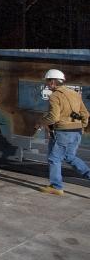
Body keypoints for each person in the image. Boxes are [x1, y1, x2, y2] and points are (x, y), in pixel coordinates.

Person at [38, 68, 90, 196]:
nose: (47, 84)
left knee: (54, 158)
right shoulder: (74, 94)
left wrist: (40, 122)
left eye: (47, 81)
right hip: (76, 131)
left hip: (63, 132)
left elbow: (53, 117)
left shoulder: (55, 96)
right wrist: (80, 126)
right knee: (70, 157)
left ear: (53, 82)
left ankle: (56, 186)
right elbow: (85, 114)